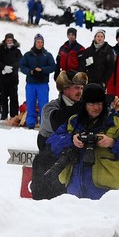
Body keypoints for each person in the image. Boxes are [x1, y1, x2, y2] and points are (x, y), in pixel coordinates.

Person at [47, 82, 119, 200]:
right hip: (74, 192)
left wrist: (112, 143)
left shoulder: (116, 123)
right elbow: (51, 144)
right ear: (84, 104)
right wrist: (71, 139)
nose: (96, 108)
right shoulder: (73, 122)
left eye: (99, 103)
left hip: (104, 196)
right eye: (91, 104)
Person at [31, 70, 87, 200]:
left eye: (82, 88)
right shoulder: (49, 108)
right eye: (77, 88)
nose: (80, 92)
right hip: (49, 164)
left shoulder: (84, 108)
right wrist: (82, 107)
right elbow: (58, 121)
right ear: (65, 89)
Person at [19, 33, 56, 129]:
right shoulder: (28, 55)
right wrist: (30, 71)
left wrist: (43, 70)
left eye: (41, 42)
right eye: (38, 42)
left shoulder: (47, 55)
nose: (40, 44)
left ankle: (43, 123)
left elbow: (52, 66)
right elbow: (22, 66)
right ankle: (30, 123)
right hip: (31, 83)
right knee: (30, 103)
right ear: (35, 43)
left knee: (43, 104)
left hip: (42, 83)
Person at [0, 33, 22, 121]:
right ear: (5, 41)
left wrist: (12, 67)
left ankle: (14, 115)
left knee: (14, 97)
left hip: (13, 78)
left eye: (11, 40)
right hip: (2, 77)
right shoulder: (1, 50)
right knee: (3, 96)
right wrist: (4, 67)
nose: (9, 42)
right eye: (8, 40)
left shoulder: (17, 51)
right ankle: (4, 114)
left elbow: (20, 61)